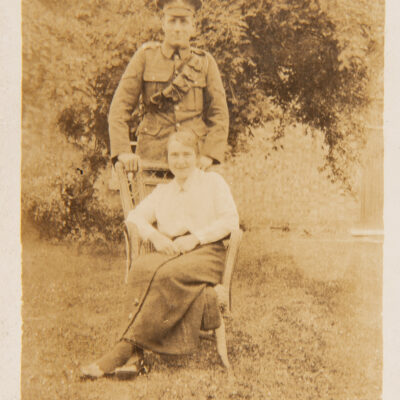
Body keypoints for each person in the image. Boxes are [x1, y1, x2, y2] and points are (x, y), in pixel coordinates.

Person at [80, 129, 239, 379]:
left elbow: (230, 221)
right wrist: (155, 237)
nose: (180, 161)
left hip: (207, 253)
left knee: (168, 274)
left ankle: (123, 350)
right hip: (172, 250)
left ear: (197, 157)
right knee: (141, 268)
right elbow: (135, 216)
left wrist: (196, 238)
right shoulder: (164, 192)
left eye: (186, 154)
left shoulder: (213, 183)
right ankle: (134, 356)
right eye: (174, 155)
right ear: (168, 159)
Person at [109, 0, 229, 171]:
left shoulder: (205, 62)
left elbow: (219, 115)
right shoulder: (145, 57)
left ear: (193, 26)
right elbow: (119, 108)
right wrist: (123, 152)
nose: (177, 28)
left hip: (193, 161)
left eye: (184, 21)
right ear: (163, 23)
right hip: (151, 158)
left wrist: (209, 155)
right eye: (172, 21)